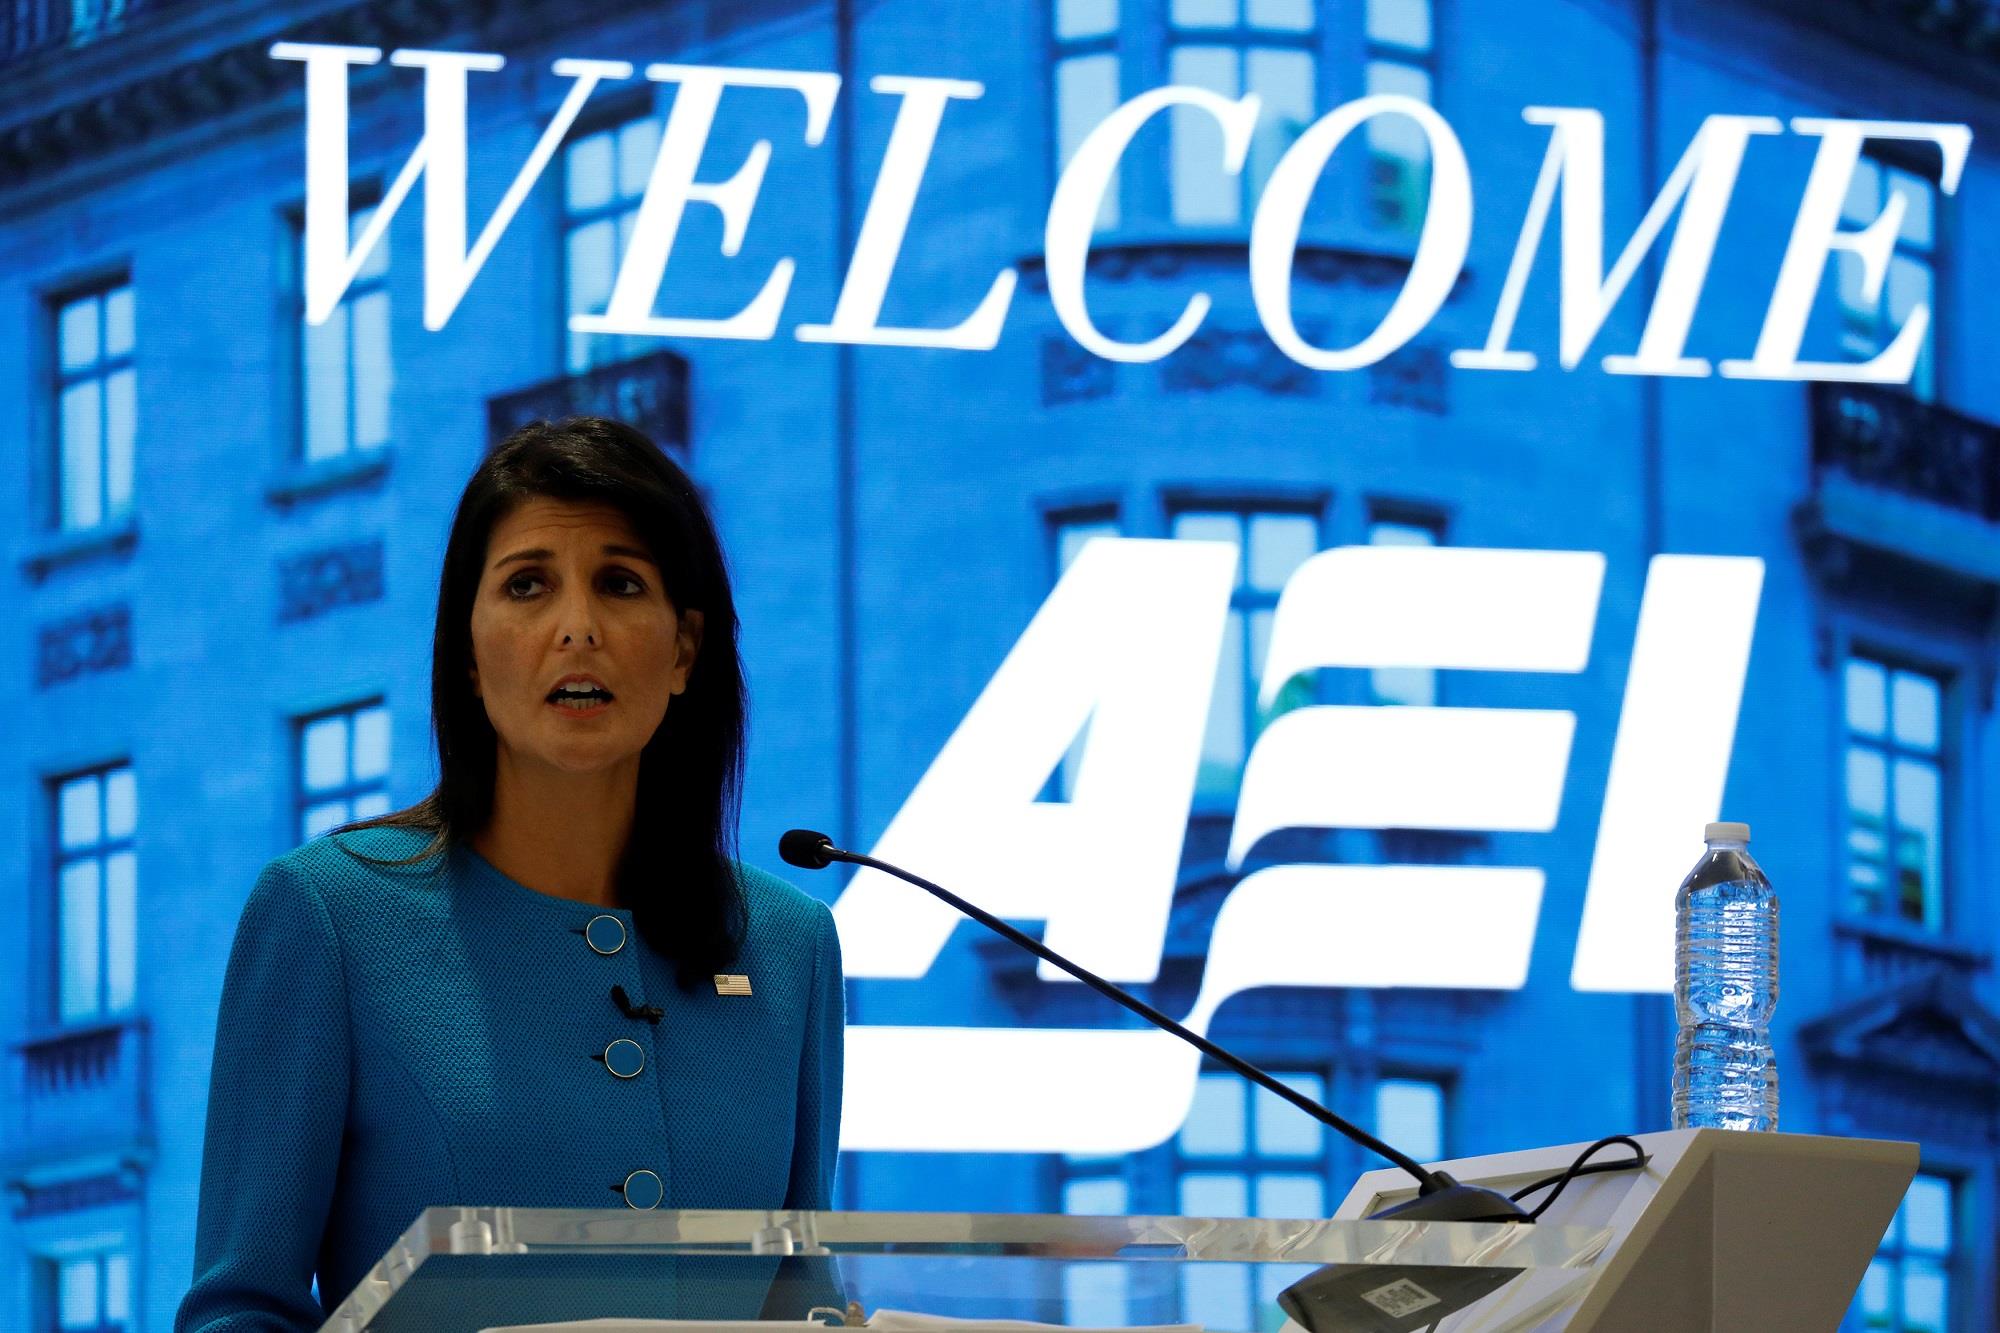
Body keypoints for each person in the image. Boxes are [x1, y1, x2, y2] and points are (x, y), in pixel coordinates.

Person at [174, 417, 844, 1332]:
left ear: (684, 650)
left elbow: (798, 1305)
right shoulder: (328, 916)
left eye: (621, 583)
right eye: (528, 585)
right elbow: (240, 1310)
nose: (577, 629)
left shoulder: (792, 946)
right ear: (467, 653)